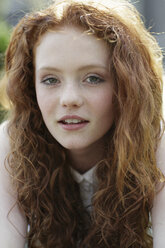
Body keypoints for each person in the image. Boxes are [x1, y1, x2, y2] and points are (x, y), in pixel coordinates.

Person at [0, 0, 164, 247]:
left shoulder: (157, 145)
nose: (70, 99)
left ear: (126, 85)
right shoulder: (10, 146)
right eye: (50, 80)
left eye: (93, 78)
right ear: (29, 86)